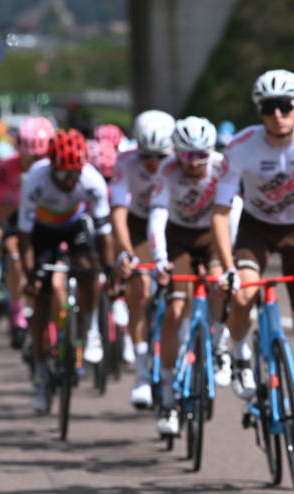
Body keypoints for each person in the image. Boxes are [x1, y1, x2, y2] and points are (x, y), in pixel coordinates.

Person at [211, 69, 294, 464]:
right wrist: (229, 266)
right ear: (259, 110)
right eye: (269, 107)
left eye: (285, 106)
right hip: (256, 228)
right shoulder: (241, 145)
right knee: (245, 290)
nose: (278, 114)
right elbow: (219, 211)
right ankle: (238, 350)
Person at [18, 129, 114, 413]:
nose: (69, 181)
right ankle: (39, 372)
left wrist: (107, 270)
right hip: (42, 228)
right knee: (43, 296)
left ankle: (90, 327)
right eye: (62, 175)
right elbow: (24, 236)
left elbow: (105, 231)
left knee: (88, 269)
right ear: (51, 166)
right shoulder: (35, 178)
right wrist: (30, 274)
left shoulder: (92, 180)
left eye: (74, 174)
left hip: (75, 223)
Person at [151, 116, 236, 435]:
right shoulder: (167, 171)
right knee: (174, 312)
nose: (194, 163)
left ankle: (220, 345)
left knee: (221, 284)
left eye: (201, 155)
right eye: (187, 155)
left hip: (213, 236)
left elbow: (234, 210)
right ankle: (169, 397)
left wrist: (231, 258)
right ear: (176, 154)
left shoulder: (222, 166)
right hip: (180, 239)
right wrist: (160, 259)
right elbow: (158, 215)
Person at [110, 109, 176, 410]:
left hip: (175, 224)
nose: (152, 164)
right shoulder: (125, 162)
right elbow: (119, 214)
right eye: (145, 156)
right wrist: (126, 253)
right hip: (138, 225)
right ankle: (140, 372)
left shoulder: (180, 160)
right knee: (140, 290)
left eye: (159, 157)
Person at [0, 116, 55, 349]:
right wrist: (19, 200)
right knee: (16, 258)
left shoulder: (57, 166)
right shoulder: (6, 168)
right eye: (29, 157)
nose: (35, 163)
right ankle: (17, 319)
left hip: (50, 223)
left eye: (40, 157)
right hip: (18, 223)